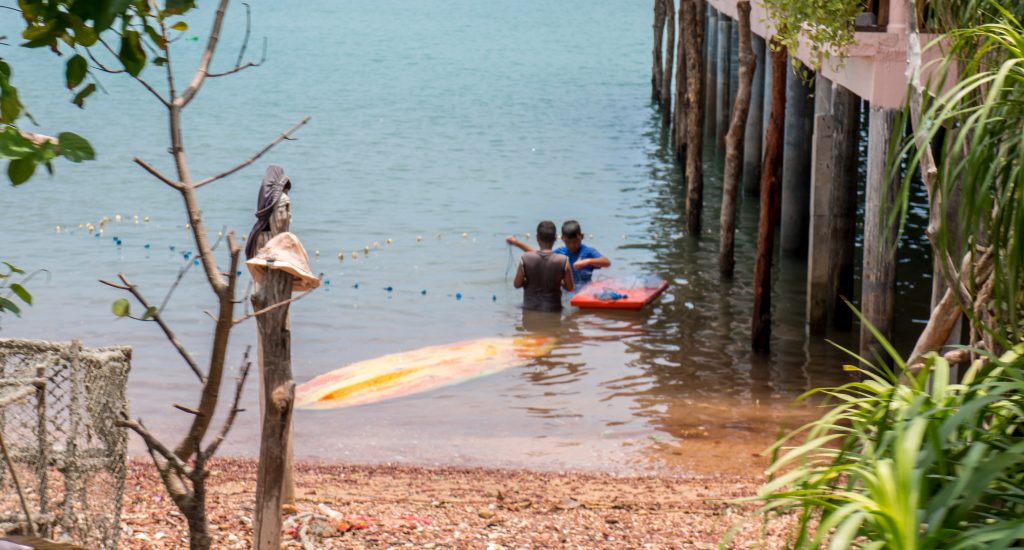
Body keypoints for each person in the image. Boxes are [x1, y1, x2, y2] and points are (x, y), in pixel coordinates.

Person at [507, 220, 610, 287]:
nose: (573, 245)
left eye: (576, 241)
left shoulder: (588, 252)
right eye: (569, 242)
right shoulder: (560, 252)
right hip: (567, 292)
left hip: (584, 292)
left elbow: (606, 262)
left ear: (581, 236)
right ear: (562, 239)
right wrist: (516, 243)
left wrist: (587, 261)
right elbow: (537, 254)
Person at [507, 221, 574, 312]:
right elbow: (570, 288)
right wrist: (559, 281)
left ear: (537, 238)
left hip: (530, 310)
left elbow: (517, 284)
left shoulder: (525, 258)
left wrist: (528, 281)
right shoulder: (563, 261)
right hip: (553, 310)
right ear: (555, 238)